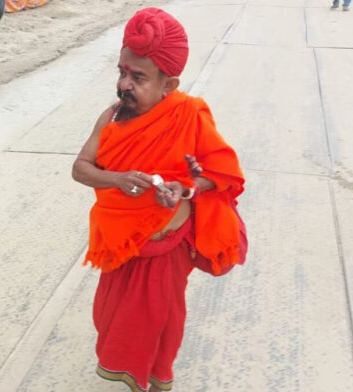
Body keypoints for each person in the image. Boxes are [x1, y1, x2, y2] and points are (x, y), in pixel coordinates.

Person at [72, 8, 245, 392]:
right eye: (121, 72)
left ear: (169, 85)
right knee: (110, 319)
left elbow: (222, 171)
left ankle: (153, 380)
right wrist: (115, 178)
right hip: (120, 250)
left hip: (167, 251)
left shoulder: (189, 115)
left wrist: (189, 188)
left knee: (161, 323)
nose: (124, 84)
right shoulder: (112, 118)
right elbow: (81, 168)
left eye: (138, 77)